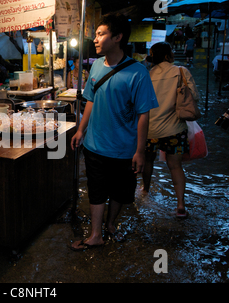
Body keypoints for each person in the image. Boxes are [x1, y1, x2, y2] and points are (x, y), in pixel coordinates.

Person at [70, 13, 158, 250]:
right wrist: (81, 130)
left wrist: (140, 151)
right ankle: (96, 234)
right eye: (96, 34)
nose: (95, 39)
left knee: (120, 193)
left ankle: (110, 224)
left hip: (124, 149)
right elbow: (90, 99)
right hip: (95, 145)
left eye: (101, 34)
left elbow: (143, 114)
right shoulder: (97, 65)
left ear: (118, 37)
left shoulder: (138, 72)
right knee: (96, 189)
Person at [142, 42, 199, 219]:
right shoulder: (180, 72)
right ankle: (181, 205)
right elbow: (194, 97)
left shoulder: (146, 75)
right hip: (174, 129)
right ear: (168, 55)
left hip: (149, 130)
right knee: (175, 166)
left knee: (148, 162)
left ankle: (145, 191)